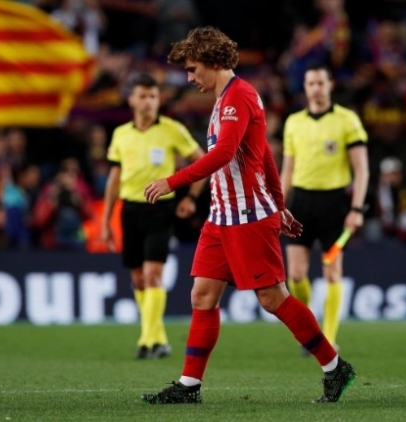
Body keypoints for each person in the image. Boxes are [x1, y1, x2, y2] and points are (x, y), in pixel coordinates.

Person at [141, 26, 356, 404]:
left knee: (272, 298)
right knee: (202, 295)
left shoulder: (238, 96)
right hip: (221, 217)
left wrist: (172, 181)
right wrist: (280, 203)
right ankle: (189, 386)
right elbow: (265, 155)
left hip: (247, 216)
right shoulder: (225, 98)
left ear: (211, 61)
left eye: (192, 69)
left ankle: (334, 366)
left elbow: (225, 153)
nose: (189, 78)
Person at [101, 72, 206, 359]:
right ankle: (158, 338)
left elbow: (202, 163)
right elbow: (114, 179)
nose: (148, 101)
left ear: (159, 100)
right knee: (138, 279)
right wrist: (106, 220)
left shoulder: (172, 129)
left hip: (160, 209)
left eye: (153, 96)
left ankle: (146, 340)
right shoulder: (121, 134)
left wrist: (191, 198)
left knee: (152, 274)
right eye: (143, 96)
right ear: (132, 100)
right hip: (130, 209)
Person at [280, 64, 369, 354]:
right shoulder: (293, 122)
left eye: (320, 83)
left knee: (332, 272)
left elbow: (362, 169)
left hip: (334, 204)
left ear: (330, 85)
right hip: (300, 204)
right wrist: (278, 205)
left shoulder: (347, 120)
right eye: (311, 83)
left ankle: (328, 338)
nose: (316, 88)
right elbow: (287, 169)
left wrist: (356, 209)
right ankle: (310, 330)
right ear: (305, 87)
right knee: (296, 275)